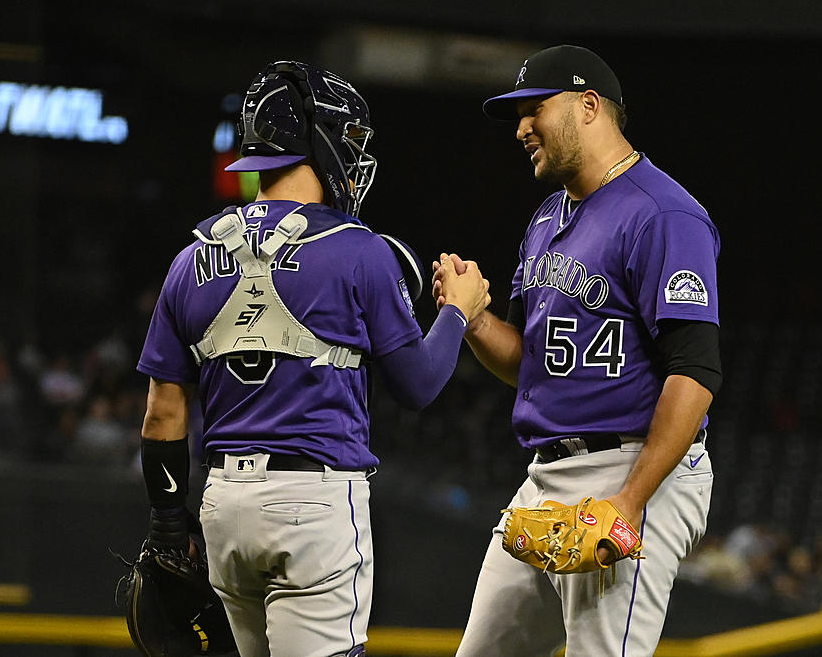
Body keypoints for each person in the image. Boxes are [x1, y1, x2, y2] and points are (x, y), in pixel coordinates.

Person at [135, 60, 489, 657]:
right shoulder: (357, 251)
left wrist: (169, 532)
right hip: (313, 503)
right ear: (313, 141)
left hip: (224, 504)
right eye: (346, 139)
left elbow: (161, 418)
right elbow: (420, 385)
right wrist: (459, 311)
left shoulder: (188, 260)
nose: (353, 155)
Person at [433, 45, 722, 655]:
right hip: (547, 475)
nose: (520, 129)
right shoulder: (546, 219)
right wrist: (474, 318)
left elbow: (694, 374)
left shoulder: (664, 214)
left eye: (534, 109)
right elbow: (528, 364)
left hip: (635, 468)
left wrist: (630, 501)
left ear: (589, 105)